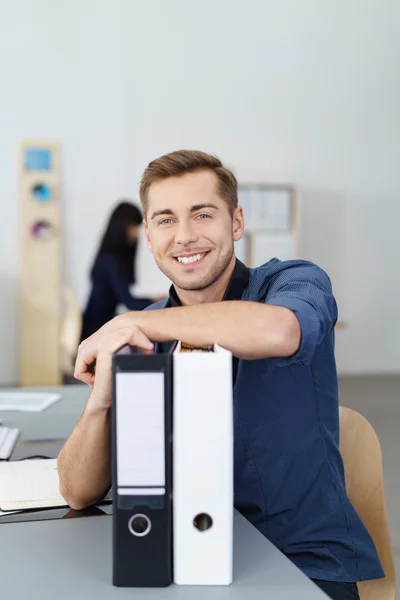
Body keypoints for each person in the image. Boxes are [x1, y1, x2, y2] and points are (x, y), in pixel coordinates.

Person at [58, 150, 384, 600]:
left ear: (236, 222)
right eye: (166, 220)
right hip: (178, 554)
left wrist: (136, 323)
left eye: (203, 214)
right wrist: (101, 403)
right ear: (148, 237)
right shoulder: (143, 329)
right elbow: (77, 493)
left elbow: (280, 331)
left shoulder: (292, 283)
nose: (185, 236)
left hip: (300, 560)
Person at [80, 201, 163, 341]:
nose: (136, 234)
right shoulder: (112, 261)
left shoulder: (107, 255)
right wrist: (161, 302)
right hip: (95, 332)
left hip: (95, 327)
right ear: (120, 227)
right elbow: (129, 302)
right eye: (133, 227)